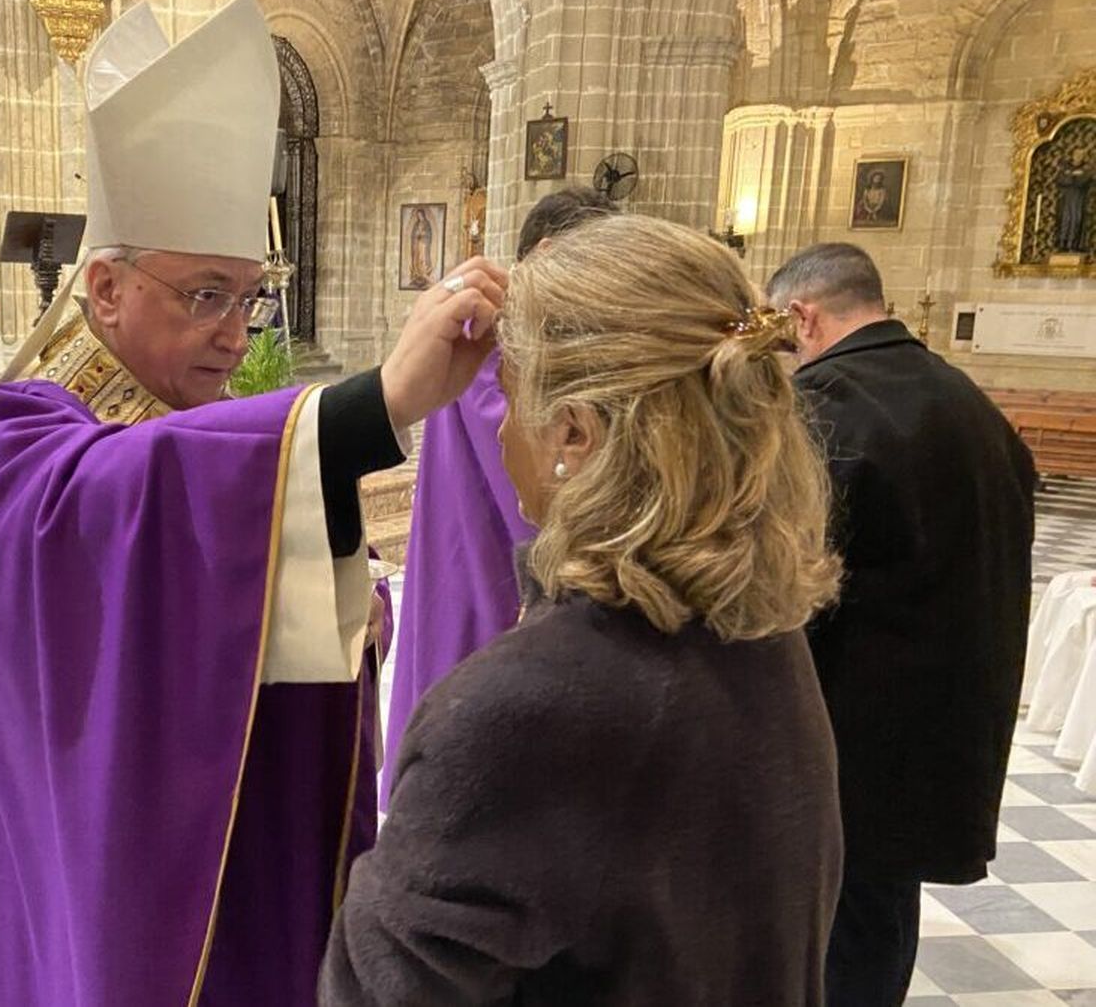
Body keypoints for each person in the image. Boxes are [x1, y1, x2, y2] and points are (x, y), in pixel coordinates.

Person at [0, 0, 502, 1005]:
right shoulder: (7, 440)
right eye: (205, 294)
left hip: (219, 845)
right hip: (93, 881)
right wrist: (379, 402)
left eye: (250, 296)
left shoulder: (181, 424)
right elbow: (122, 499)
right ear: (104, 289)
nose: (237, 333)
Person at [322, 215, 845, 1006]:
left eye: (513, 395)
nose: (500, 432)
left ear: (575, 430)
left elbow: (373, 993)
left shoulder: (530, 705)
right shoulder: (760, 629)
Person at [766, 244, 1038, 1006]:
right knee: (878, 920)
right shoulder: (964, 399)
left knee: (835, 940)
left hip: (848, 733)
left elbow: (783, 588)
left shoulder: (825, 405)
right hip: (943, 727)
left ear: (802, 317)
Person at [382, 186, 615, 809]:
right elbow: (545, 484)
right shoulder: (504, 348)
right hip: (487, 563)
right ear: (544, 256)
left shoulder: (528, 343)